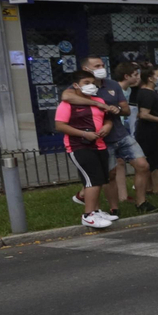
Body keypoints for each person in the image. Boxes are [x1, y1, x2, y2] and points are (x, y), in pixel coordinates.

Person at [60, 56, 149, 219]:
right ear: (87, 69)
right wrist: (98, 104)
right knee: (110, 175)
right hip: (99, 139)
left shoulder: (112, 84)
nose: (102, 67)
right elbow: (66, 97)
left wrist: (116, 110)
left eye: (102, 65)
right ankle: (114, 208)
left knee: (142, 165)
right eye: (97, 65)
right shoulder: (80, 87)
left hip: (119, 133)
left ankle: (141, 202)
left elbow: (126, 109)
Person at [54, 69, 116, 229]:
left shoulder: (98, 100)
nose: (90, 86)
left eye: (92, 83)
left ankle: (96, 210)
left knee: (101, 179)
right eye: (86, 83)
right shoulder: (68, 103)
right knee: (93, 179)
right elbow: (60, 125)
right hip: (79, 146)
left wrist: (107, 127)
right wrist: (83, 134)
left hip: (99, 145)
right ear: (76, 85)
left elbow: (107, 118)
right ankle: (88, 215)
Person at [131, 63, 158, 201]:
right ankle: (152, 189)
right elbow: (143, 114)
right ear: (150, 78)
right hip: (149, 132)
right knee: (152, 159)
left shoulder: (151, 93)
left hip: (156, 131)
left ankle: (155, 188)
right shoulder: (146, 94)